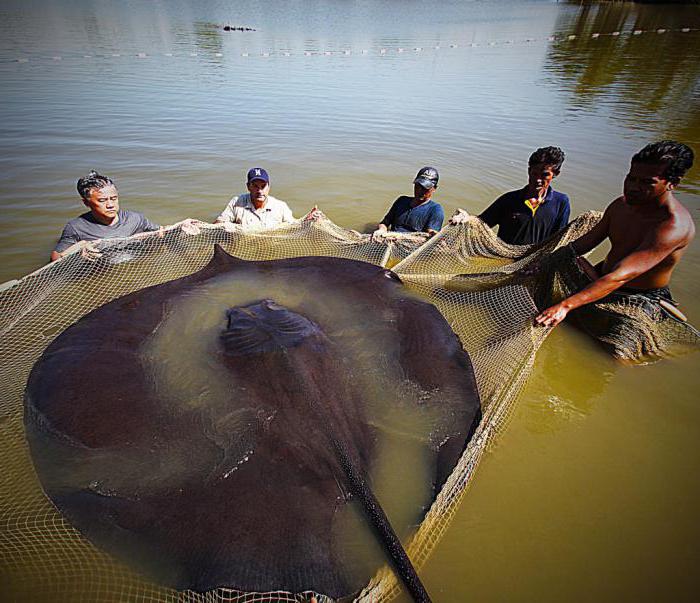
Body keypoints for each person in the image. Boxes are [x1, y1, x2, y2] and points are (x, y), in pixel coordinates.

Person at [536, 140, 695, 328]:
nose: (633, 187)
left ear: (672, 184)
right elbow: (582, 245)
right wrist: (545, 262)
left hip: (636, 297)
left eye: (647, 182)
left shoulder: (673, 226)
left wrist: (565, 305)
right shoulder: (621, 205)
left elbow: (620, 276)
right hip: (599, 276)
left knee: (619, 355)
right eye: (631, 178)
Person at [51, 171, 168, 262]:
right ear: (86, 203)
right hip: (100, 271)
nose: (110, 205)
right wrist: (77, 251)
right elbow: (55, 257)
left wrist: (181, 228)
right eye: (102, 200)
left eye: (114, 198)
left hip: (137, 261)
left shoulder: (135, 219)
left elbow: (161, 232)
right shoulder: (76, 227)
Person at [479, 146, 570, 245]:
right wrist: (466, 219)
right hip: (504, 258)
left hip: (539, 260)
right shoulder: (509, 199)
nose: (538, 180)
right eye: (534, 173)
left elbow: (560, 239)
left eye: (545, 175)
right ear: (529, 171)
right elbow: (480, 224)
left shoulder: (561, 202)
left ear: (555, 174)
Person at [373, 167, 444, 239]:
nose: (419, 190)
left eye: (425, 188)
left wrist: (451, 226)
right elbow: (385, 223)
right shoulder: (401, 200)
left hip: (412, 247)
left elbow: (432, 236)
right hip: (390, 240)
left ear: (434, 188)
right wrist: (381, 230)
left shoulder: (435, 210)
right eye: (418, 186)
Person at [215, 167, 296, 229]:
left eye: (263, 186)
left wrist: (306, 222)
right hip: (243, 246)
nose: (260, 191)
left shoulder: (280, 206)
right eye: (255, 186)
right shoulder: (237, 202)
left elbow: (294, 227)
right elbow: (219, 224)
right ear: (248, 187)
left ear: (269, 187)